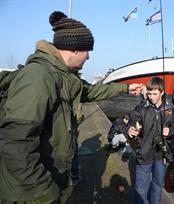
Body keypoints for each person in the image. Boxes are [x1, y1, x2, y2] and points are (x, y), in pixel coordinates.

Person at [0, 11, 143, 203]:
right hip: (27, 194)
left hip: (48, 180)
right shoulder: (38, 78)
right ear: (75, 49)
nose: (89, 58)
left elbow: (92, 92)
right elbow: (15, 144)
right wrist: (45, 193)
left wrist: (126, 88)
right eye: (87, 51)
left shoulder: (65, 79)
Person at [127, 77, 174, 204]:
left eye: (155, 94)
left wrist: (170, 131)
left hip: (161, 155)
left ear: (162, 93)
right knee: (140, 189)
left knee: (157, 186)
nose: (151, 97)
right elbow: (131, 123)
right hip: (144, 154)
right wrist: (130, 130)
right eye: (149, 93)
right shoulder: (141, 108)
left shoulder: (170, 109)